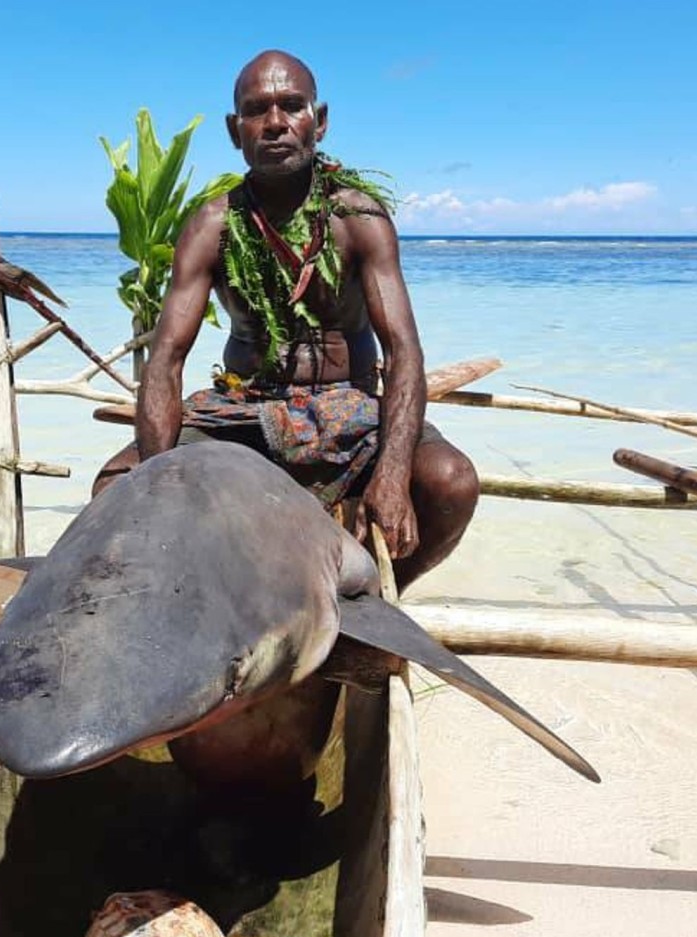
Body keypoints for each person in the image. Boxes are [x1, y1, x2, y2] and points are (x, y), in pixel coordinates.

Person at [94, 49, 478, 589]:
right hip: (245, 409)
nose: (275, 123)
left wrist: (391, 475)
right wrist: (159, 483)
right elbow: (166, 358)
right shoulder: (213, 224)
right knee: (116, 487)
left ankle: (370, 609)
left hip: (351, 413)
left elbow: (404, 351)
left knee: (451, 481)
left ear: (318, 122)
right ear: (235, 129)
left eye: (292, 106)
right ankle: (198, 605)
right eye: (257, 110)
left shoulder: (358, 218)